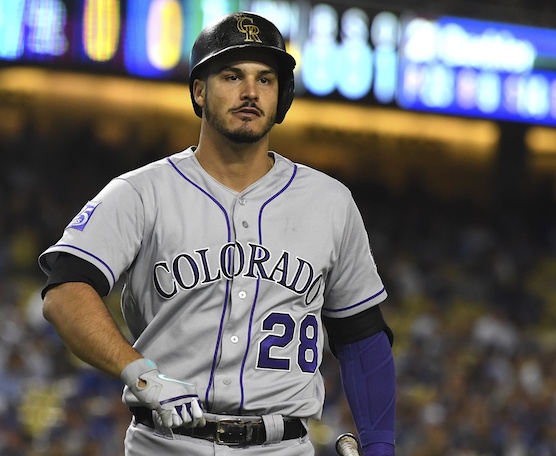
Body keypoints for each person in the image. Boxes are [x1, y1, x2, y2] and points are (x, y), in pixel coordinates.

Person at [39, 11, 396, 456]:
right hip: (165, 443)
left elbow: (361, 335)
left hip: (283, 446)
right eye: (232, 75)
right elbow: (65, 291)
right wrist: (139, 371)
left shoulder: (330, 202)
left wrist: (381, 447)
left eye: (266, 79)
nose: (250, 92)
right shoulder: (141, 191)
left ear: (281, 96)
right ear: (199, 90)